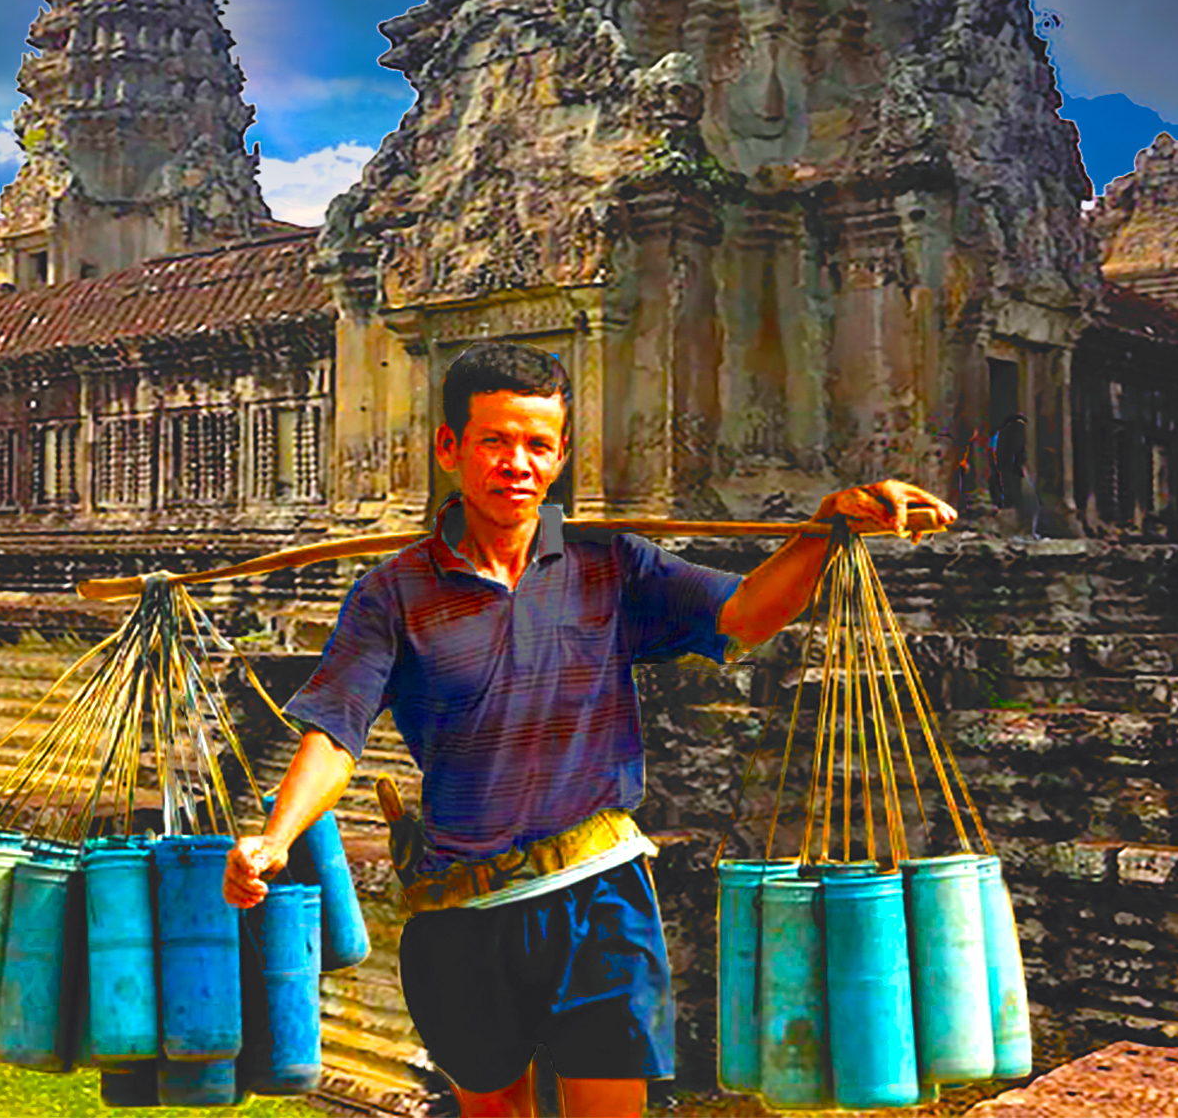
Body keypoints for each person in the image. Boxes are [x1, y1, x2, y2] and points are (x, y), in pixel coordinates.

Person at [221, 340, 958, 1118]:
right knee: (492, 1109)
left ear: (561, 454)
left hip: (599, 894)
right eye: (495, 442)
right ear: (450, 449)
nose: (518, 464)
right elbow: (336, 732)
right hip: (462, 910)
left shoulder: (612, 567)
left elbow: (745, 614)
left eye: (538, 445)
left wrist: (825, 526)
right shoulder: (393, 595)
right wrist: (275, 836)